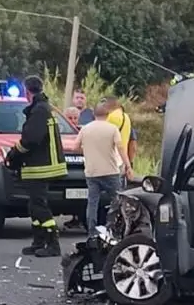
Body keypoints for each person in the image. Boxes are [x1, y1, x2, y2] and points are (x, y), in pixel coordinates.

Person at [7, 76, 68, 258]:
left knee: (39, 206)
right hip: (42, 165)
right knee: (34, 206)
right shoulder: (44, 108)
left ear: (27, 91)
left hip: (41, 167)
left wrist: (13, 154)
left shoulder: (39, 110)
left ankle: (53, 244)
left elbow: (30, 140)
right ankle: (39, 241)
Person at [77, 102, 132, 245]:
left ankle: (91, 232)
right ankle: (114, 229)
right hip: (110, 171)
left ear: (93, 114)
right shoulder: (112, 129)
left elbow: (76, 146)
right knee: (118, 201)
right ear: (108, 115)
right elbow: (120, 148)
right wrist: (128, 165)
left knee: (92, 202)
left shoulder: (85, 129)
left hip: (91, 172)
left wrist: (88, 151)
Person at [103, 96, 136, 167]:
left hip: (108, 159)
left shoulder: (110, 117)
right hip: (122, 159)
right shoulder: (127, 118)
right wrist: (129, 164)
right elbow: (133, 145)